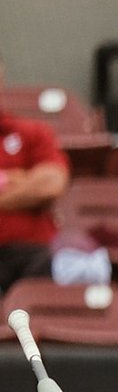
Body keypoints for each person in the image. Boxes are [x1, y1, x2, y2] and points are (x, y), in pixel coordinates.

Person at [0, 53, 71, 295]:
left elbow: (51, 184)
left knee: (47, 260)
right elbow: (37, 184)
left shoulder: (32, 133)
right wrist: (18, 179)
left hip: (28, 256)